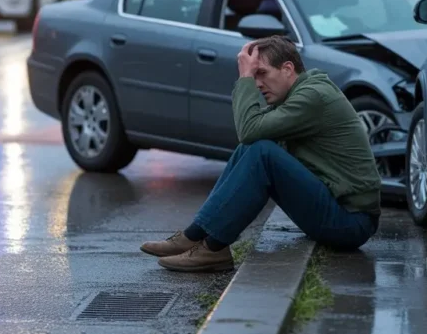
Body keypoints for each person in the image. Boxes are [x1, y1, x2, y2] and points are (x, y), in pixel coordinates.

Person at [141, 36, 383, 272]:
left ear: (288, 69)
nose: (257, 84)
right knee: (251, 148)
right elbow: (250, 134)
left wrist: (244, 76)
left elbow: (248, 129)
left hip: (351, 223)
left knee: (261, 151)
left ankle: (214, 249)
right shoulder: (298, 94)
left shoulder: (313, 96)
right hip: (336, 212)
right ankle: (195, 235)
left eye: (262, 73)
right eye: (254, 76)